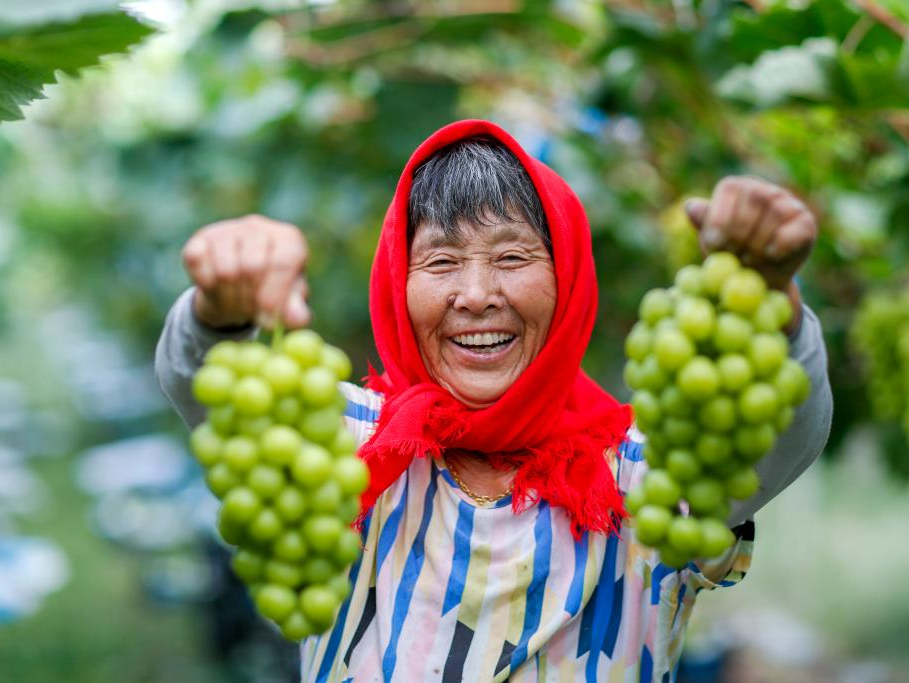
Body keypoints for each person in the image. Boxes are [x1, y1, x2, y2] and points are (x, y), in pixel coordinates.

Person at [156, 119, 833, 682]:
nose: (476, 293)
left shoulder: (646, 482)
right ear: (399, 282)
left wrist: (774, 303)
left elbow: (785, 431)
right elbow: (211, 381)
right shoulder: (341, 447)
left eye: (512, 258)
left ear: (565, 279)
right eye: (442, 262)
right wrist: (223, 310)